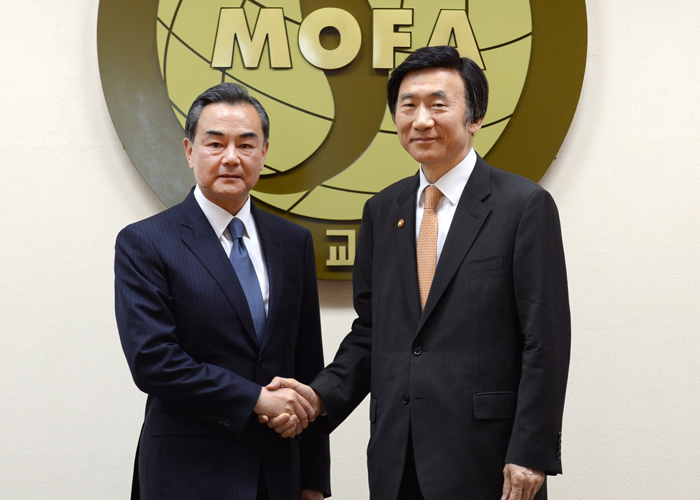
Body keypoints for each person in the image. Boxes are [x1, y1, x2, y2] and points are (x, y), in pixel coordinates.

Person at [263, 46, 571, 500]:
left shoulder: (522, 207)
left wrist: (531, 450)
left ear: (475, 117)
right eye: (408, 105)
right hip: (396, 458)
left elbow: (544, 338)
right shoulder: (382, 211)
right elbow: (372, 333)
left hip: (490, 461)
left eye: (438, 104)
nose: (421, 119)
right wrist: (317, 397)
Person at [114, 83, 330, 500]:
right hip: (187, 473)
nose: (231, 157)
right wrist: (255, 400)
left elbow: (307, 362)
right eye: (215, 143)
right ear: (190, 151)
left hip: (278, 473)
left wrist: (313, 481)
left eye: (246, 145)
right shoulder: (146, 242)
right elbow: (153, 361)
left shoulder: (293, 241)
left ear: (264, 153)